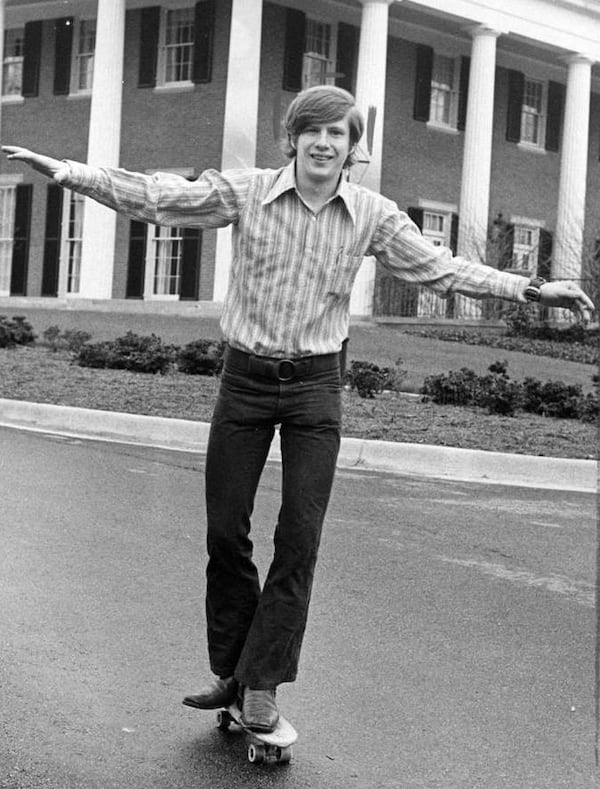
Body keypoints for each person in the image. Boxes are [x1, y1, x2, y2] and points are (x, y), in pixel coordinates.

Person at [2, 85, 594, 734]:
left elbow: (444, 270)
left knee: (299, 540)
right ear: (292, 139)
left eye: (337, 134)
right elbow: (161, 197)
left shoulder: (371, 214)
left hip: (316, 389)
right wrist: (72, 173)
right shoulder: (248, 191)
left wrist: (535, 288)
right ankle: (231, 668)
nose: (323, 142)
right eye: (312, 131)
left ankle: (262, 685)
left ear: (351, 147)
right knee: (225, 531)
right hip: (245, 381)